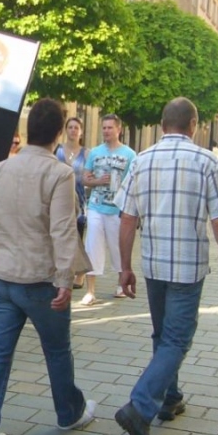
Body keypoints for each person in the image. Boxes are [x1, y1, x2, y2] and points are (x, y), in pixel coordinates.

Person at [0, 98, 94, 435]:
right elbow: (63, 231)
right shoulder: (59, 173)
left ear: (27, 130)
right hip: (40, 280)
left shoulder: (3, 168)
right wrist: (66, 280)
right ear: (56, 133)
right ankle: (69, 413)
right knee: (57, 350)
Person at [113, 97, 218, 435]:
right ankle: (140, 407)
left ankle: (169, 397)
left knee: (162, 335)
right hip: (187, 266)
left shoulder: (141, 160)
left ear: (163, 124)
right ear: (193, 125)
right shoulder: (206, 161)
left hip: (153, 264)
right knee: (177, 340)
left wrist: (125, 267)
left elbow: (127, 218)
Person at [79, 113, 136, 305]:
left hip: (117, 208)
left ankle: (121, 284)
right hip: (96, 205)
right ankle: (90, 291)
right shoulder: (95, 152)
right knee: (92, 244)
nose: (106, 131)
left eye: (110, 127)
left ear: (119, 129)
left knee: (118, 246)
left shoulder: (129, 154)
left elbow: (133, 181)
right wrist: (96, 181)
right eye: (104, 127)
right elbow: (84, 178)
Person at [55, 116, 89, 289]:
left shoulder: (87, 153)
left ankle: (80, 273)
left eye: (77, 128)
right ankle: (62, 272)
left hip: (79, 199)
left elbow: (90, 176)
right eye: (70, 127)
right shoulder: (57, 150)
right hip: (59, 199)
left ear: (81, 131)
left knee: (77, 236)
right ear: (65, 130)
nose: (73, 130)